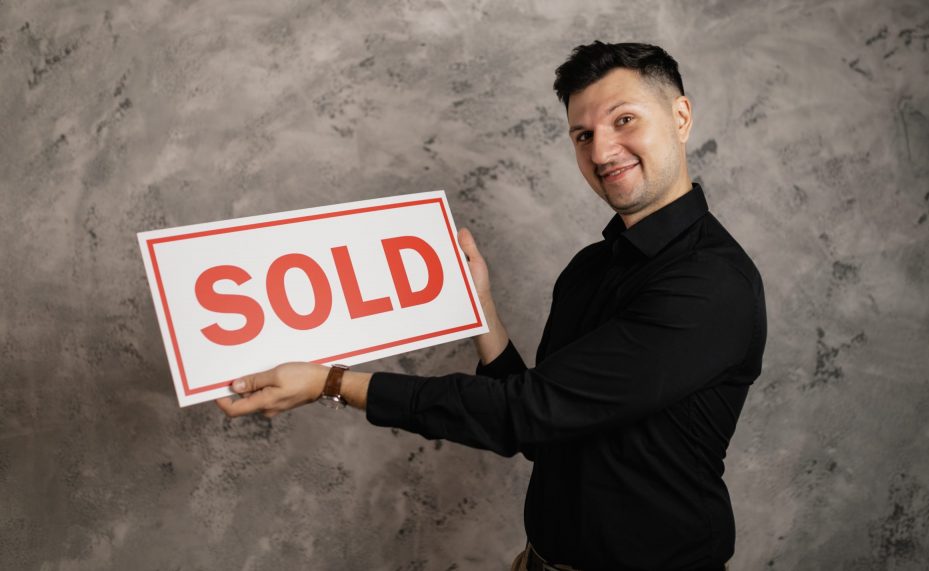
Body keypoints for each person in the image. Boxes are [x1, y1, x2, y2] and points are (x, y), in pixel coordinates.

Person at [217, 41, 766, 571]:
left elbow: (524, 415)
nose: (601, 152)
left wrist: (330, 383)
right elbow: (545, 427)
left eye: (624, 120)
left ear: (681, 118)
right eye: (582, 134)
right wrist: (480, 309)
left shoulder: (711, 284)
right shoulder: (589, 269)